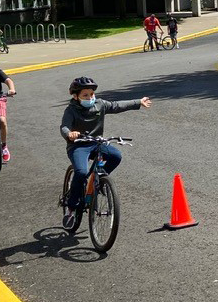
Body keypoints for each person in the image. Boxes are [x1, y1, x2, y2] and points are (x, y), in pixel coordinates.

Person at [60, 76, 152, 228]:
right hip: (78, 146)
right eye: (85, 95)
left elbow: (116, 106)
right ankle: (71, 207)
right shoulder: (71, 110)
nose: (90, 97)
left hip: (96, 143)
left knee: (116, 156)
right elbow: (64, 126)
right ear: (75, 96)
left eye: (91, 94)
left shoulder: (99, 104)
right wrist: (69, 133)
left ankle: (99, 181)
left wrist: (138, 102)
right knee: (81, 172)